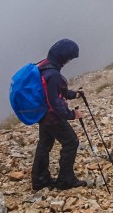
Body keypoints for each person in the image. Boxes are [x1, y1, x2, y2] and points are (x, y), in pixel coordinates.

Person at [31, 38, 87, 191]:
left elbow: (54, 92)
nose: (68, 61)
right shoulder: (54, 74)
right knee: (71, 142)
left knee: (44, 144)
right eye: (69, 58)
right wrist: (71, 114)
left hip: (43, 114)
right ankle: (65, 180)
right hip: (52, 117)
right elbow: (55, 102)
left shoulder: (43, 66)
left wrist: (74, 95)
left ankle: (39, 180)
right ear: (63, 57)